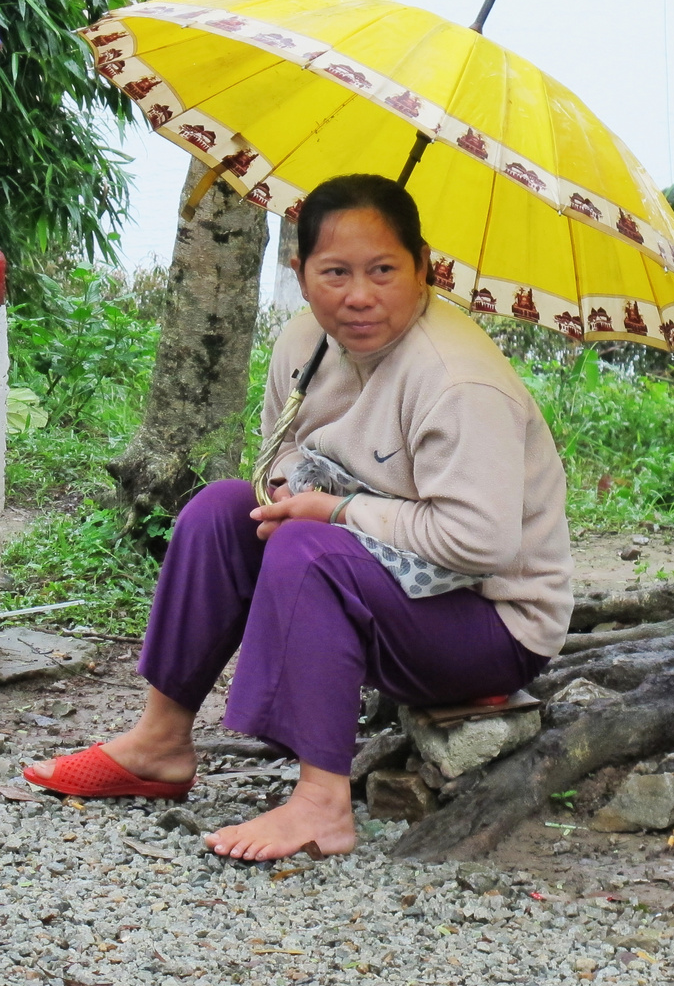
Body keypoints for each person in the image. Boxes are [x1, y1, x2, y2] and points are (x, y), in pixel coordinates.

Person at [24, 174, 574, 862]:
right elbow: (280, 462)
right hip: (386, 584)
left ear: (424, 266)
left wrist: (337, 511)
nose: (360, 296)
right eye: (336, 272)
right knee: (222, 508)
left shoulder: (457, 380)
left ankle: (322, 805)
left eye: (384, 270)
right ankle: (160, 742)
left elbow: (481, 543)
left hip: (488, 624)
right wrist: (293, 495)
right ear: (300, 272)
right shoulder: (303, 345)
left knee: (308, 547)